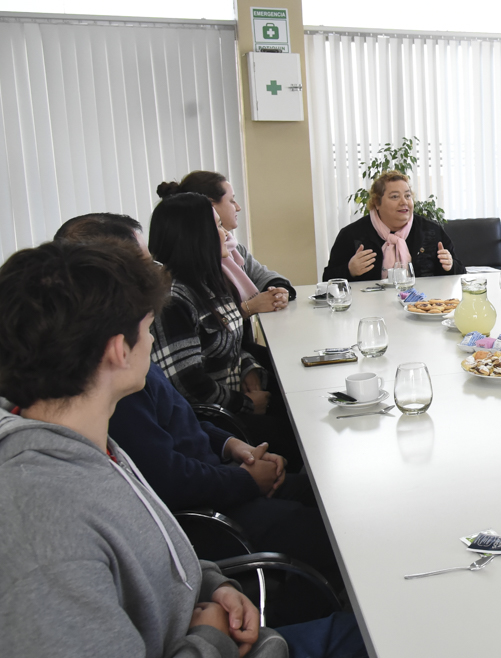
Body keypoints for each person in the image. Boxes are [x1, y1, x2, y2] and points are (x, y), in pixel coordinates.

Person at [0, 240, 398, 658]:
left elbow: (153, 556)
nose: (153, 339)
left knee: (418, 636)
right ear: (117, 350)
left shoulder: (90, 446)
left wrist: (214, 583)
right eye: (148, 327)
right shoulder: (41, 520)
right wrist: (210, 642)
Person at [54, 211, 339, 586]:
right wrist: (245, 479)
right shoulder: (113, 383)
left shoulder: (131, 351)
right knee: (339, 530)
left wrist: (232, 445)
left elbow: (180, 416)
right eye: (145, 262)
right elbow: (168, 478)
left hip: (222, 476)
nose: (157, 269)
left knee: (334, 493)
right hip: (215, 513)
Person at [147, 193, 302, 470]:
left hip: (234, 396)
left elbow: (230, 342)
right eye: (218, 226)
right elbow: (187, 383)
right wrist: (246, 404)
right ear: (196, 236)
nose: (226, 233)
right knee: (297, 437)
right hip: (215, 419)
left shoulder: (209, 281)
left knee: (302, 404)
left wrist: (248, 369)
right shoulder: (173, 299)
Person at [157, 171, 293, 315]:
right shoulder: (193, 263)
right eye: (232, 201)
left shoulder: (234, 248)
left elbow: (264, 277)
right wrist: (248, 308)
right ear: (211, 206)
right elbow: (206, 321)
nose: (238, 207)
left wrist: (278, 293)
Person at [322, 170, 465, 281]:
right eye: (395, 197)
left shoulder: (431, 231)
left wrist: (450, 266)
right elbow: (327, 279)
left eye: (407, 196)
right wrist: (349, 271)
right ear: (377, 203)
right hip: (369, 308)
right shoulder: (352, 235)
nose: (404, 202)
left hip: (422, 304)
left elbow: (461, 273)